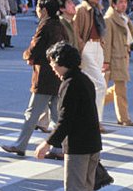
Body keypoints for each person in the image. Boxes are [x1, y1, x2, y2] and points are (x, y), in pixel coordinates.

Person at [1, 0, 66, 158]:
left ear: (43, 10)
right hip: (57, 74)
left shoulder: (45, 25)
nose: (37, 11)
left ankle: (20, 145)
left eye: (38, 8)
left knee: (32, 113)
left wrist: (27, 55)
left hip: (44, 75)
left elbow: (36, 47)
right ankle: (59, 147)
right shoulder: (59, 25)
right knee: (57, 114)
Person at [34, 42, 102, 191]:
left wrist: (47, 143)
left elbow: (66, 119)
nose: (53, 69)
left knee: (75, 187)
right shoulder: (85, 79)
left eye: (53, 64)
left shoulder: (70, 84)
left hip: (78, 145)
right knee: (87, 187)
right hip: (93, 143)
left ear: (61, 62)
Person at [72, 0, 108, 129]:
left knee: (92, 85)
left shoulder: (98, 9)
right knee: (101, 84)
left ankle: (87, 117)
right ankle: (96, 121)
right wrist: (82, 47)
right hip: (87, 46)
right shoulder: (81, 9)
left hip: (98, 46)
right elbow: (76, 31)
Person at [102, 0, 133, 126]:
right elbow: (107, 42)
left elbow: (130, 36)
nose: (124, 5)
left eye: (125, 2)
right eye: (120, 2)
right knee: (121, 89)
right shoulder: (109, 19)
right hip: (115, 58)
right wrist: (106, 61)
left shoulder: (124, 17)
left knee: (117, 89)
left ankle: (92, 102)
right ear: (113, 3)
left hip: (124, 56)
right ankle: (124, 118)